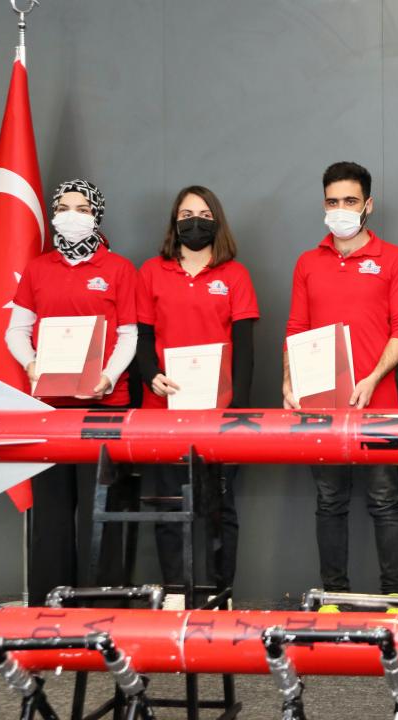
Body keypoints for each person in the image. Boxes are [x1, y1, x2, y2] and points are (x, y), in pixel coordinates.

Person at [283, 162, 398, 611]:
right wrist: (288, 379)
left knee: (385, 501)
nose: (341, 209)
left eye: (350, 201)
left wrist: (373, 377)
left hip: (379, 403)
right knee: (329, 501)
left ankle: (395, 596)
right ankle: (332, 596)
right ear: (324, 204)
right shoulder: (307, 262)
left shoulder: (393, 258)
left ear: (368, 205)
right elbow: (296, 328)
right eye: (333, 201)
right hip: (322, 406)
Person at [5, 178, 138, 604]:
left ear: (97, 216)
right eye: (64, 207)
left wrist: (109, 376)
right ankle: (51, 602)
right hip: (49, 408)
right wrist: (31, 363)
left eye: (83, 209)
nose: (72, 216)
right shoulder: (38, 269)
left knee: (101, 509)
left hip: (104, 406)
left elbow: (129, 335)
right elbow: (16, 330)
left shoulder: (119, 269)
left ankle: (104, 603)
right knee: (52, 511)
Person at [134, 186, 259, 591]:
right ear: (174, 221)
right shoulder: (151, 271)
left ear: (217, 221)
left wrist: (238, 410)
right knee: (171, 506)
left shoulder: (235, 275)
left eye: (204, 215)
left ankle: (221, 594)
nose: (195, 222)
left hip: (218, 413)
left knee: (220, 508)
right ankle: (175, 593)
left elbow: (245, 349)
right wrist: (150, 374)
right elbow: (141, 336)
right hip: (163, 409)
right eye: (186, 214)